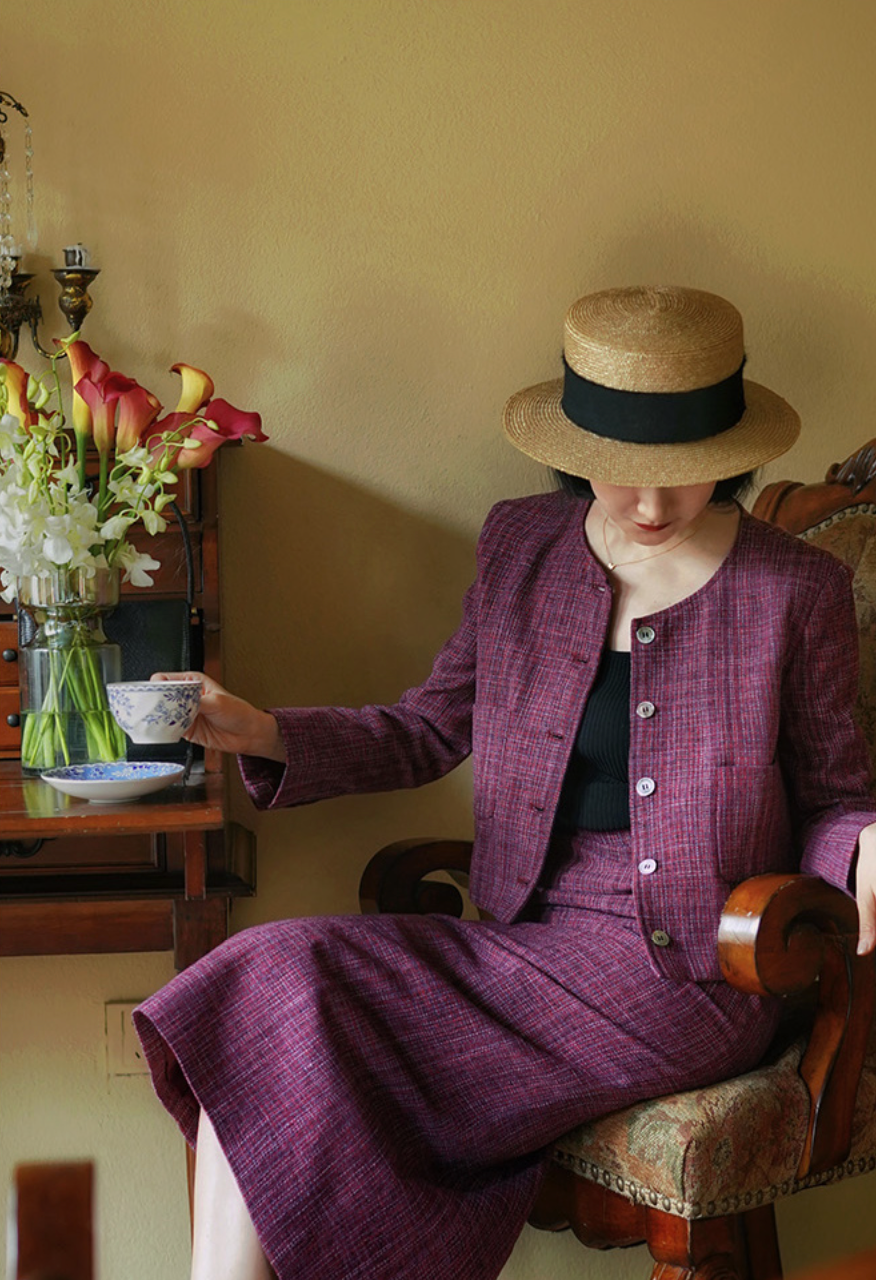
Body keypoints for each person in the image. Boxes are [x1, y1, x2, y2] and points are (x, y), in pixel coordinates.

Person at [134, 285, 876, 1280]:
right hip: (514, 940)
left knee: (298, 1050)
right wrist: (260, 729)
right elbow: (432, 722)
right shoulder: (521, 545)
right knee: (271, 980)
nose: (653, 506)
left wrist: (864, 847)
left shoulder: (794, 588)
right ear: (575, 453)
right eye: (623, 477)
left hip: (693, 970)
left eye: (686, 477)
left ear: (731, 453)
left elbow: (837, 792)